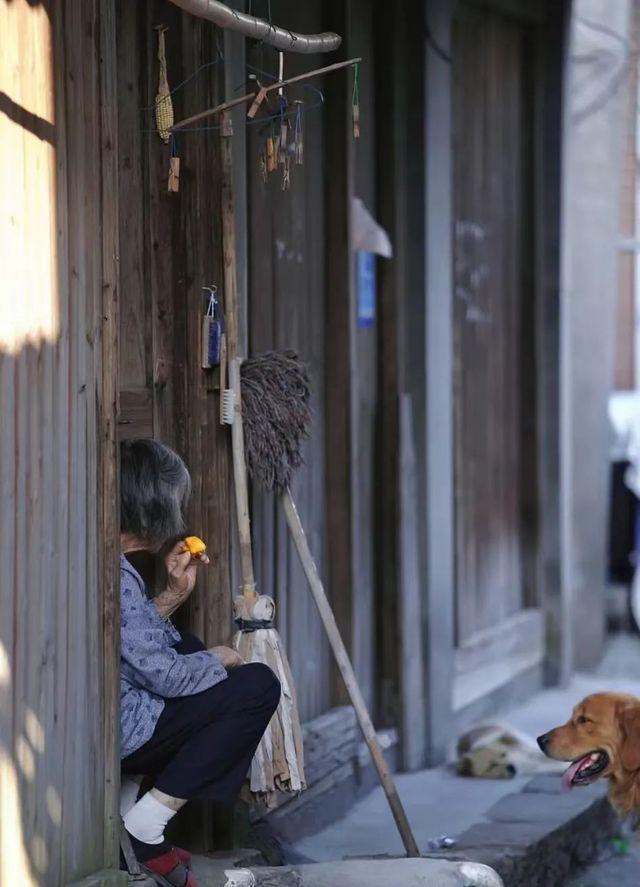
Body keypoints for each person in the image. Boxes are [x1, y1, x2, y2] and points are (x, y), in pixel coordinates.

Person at [118, 440, 280, 887]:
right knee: (258, 686)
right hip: (120, 729)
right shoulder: (116, 572)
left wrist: (173, 593)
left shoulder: (113, 565)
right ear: (154, 507)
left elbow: (137, 647)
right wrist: (218, 659)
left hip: (117, 718)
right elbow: (163, 674)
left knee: (186, 644)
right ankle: (144, 829)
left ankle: (123, 811)